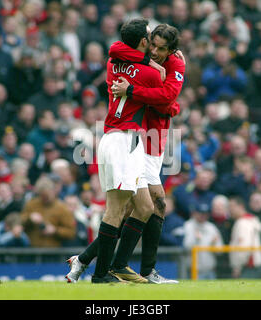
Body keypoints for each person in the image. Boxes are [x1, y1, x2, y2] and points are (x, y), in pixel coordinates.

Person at [66, 21, 183, 284]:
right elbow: (167, 99)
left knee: (143, 206)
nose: (153, 50)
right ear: (144, 41)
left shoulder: (111, 64)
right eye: (150, 42)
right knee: (118, 209)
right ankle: (101, 275)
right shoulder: (151, 73)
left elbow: (116, 49)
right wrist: (172, 104)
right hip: (125, 140)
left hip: (119, 137)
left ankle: (102, 263)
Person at [21, 177, 76, 248]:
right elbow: (20, 221)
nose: (45, 198)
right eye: (42, 196)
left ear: (53, 191)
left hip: (52, 251)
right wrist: (30, 218)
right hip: (33, 250)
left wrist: (55, 230)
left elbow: (71, 232)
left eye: (47, 195)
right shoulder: (31, 204)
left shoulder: (62, 208)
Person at [183, 201, 224, 279]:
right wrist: (196, 239)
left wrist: (214, 244)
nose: (203, 216)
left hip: (210, 270)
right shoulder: (188, 226)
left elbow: (220, 251)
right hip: (193, 272)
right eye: (200, 213)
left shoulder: (212, 227)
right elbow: (186, 248)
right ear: (195, 213)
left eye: (205, 213)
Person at [229, 196, 261, 279]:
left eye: (232, 206)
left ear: (240, 206)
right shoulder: (249, 220)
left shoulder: (243, 223)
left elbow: (244, 247)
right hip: (254, 264)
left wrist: (238, 267)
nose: (230, 210)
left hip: (248, 265)